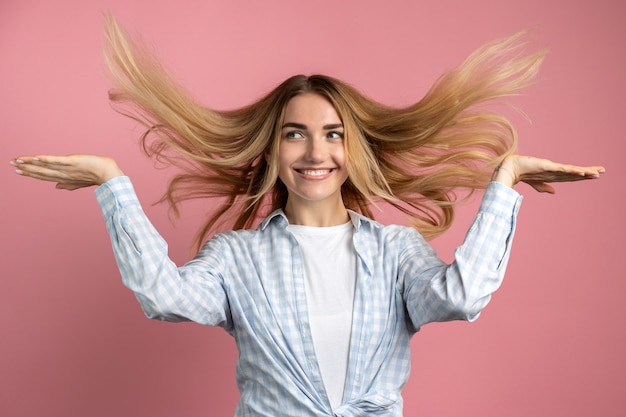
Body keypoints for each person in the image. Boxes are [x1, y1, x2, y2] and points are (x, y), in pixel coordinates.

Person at [9, 15, 604, 417]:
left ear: (354, 150)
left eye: (333, 135)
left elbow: (462, 296)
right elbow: (164, 297)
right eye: (296, 134)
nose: (316, 153)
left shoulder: (395, 253)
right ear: (272, 150)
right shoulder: (236, 257)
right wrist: (112, 183)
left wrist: (504, 185)